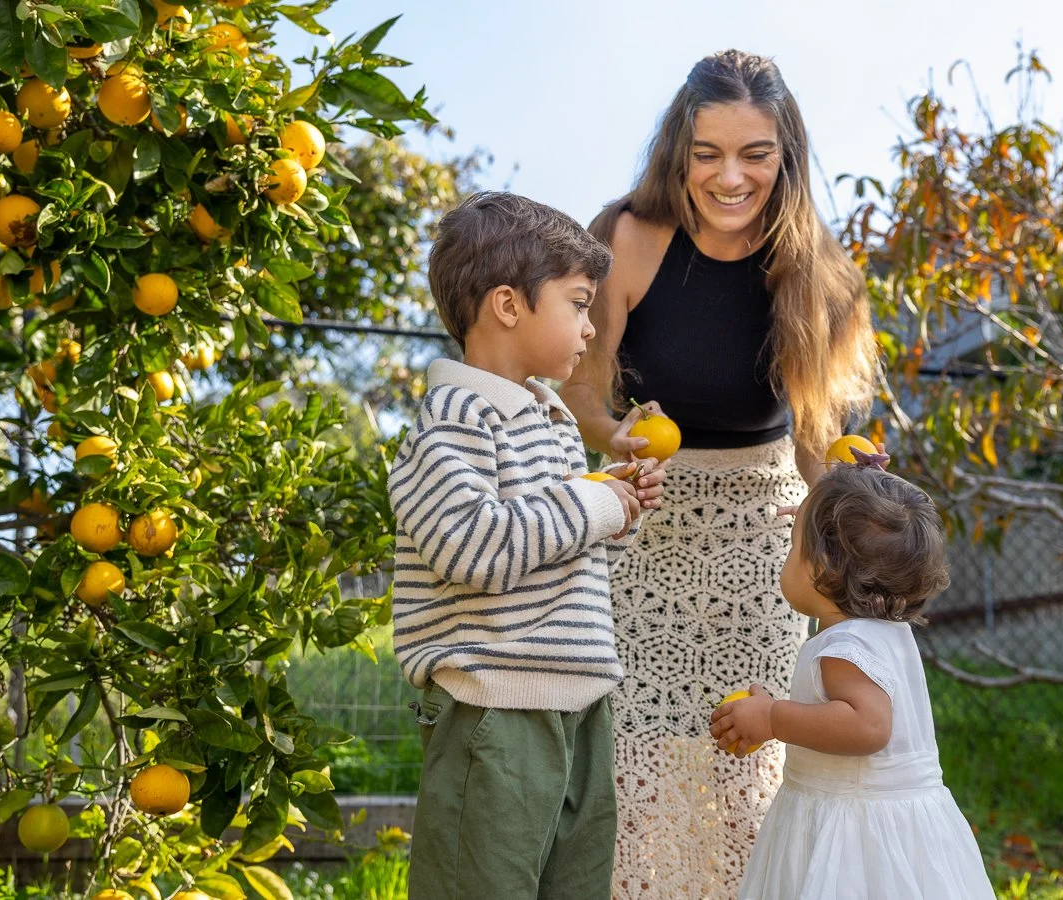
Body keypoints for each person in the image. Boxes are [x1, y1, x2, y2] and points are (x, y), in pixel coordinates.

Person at [559, 49, 879, 899]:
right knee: (635, 756)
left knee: (748, 765)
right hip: (645, 516)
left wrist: (842, 481)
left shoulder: (809, 264)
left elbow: (814, 432)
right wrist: (613, 431)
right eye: (708, 153)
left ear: (786, 156)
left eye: (755, 154)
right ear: (679, 151)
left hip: (761, 542)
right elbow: (582, 386)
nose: (730, 177)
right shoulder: (628, 236)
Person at [388, 191, 668, 899]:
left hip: (580, 706)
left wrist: (617, 512)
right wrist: (594, 502)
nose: (590, 325)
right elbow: (473, 548)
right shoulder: (452, 419)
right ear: (508, 306)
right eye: (578, 303)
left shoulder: (550, 422)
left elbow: (556, 555)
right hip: (496, 715)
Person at [710, 462, 993, 899]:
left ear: (821, 567)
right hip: (882, 821)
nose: (788, 557)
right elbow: (842, 710)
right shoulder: (880, 632)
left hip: (853, 832)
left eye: (792, 547)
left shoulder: (846, 645)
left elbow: (868, 727)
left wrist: (773, 719)